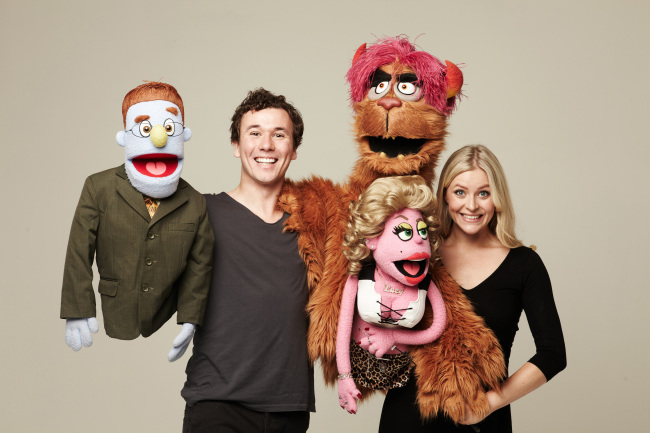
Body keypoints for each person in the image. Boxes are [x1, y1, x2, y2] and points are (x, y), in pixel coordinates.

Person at [379, 145, 567, 432]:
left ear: (498, 198)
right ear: (444, 194)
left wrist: (489, 404)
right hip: (408, 418)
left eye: (484, 193)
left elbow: (553, 354)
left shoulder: (524, 264)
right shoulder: (416, 251)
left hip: (482, 422)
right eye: (460, 192)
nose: (471, 206)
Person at [181, 88, 314, 433]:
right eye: (254, 133)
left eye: (279, 134)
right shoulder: (202, 212)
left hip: (290, 404)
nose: (266, 145)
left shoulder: (315, 226)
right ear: (236, 146)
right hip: (218, 402)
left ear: (293, 150)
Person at [60, 81, 214, 357]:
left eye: (169, 129)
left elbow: (199, 266)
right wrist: (78, 309)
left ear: (182, 134)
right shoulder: (98, 187)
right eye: (146, 129)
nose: (159, 138)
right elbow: (78, 251)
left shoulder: (195, 202)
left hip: (164, 312)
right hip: (116, 312)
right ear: (125, 136)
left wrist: (191, 319)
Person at [336, 176, 447, 415]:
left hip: (406, 376)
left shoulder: (426, 283)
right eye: (405, 232)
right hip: (361, 364)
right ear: (372, 239)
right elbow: (342, 329)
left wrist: (394, 337)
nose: (419, 239)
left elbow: (438, 327)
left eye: (422, 231)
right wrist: (344, 377)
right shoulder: (360, 275)